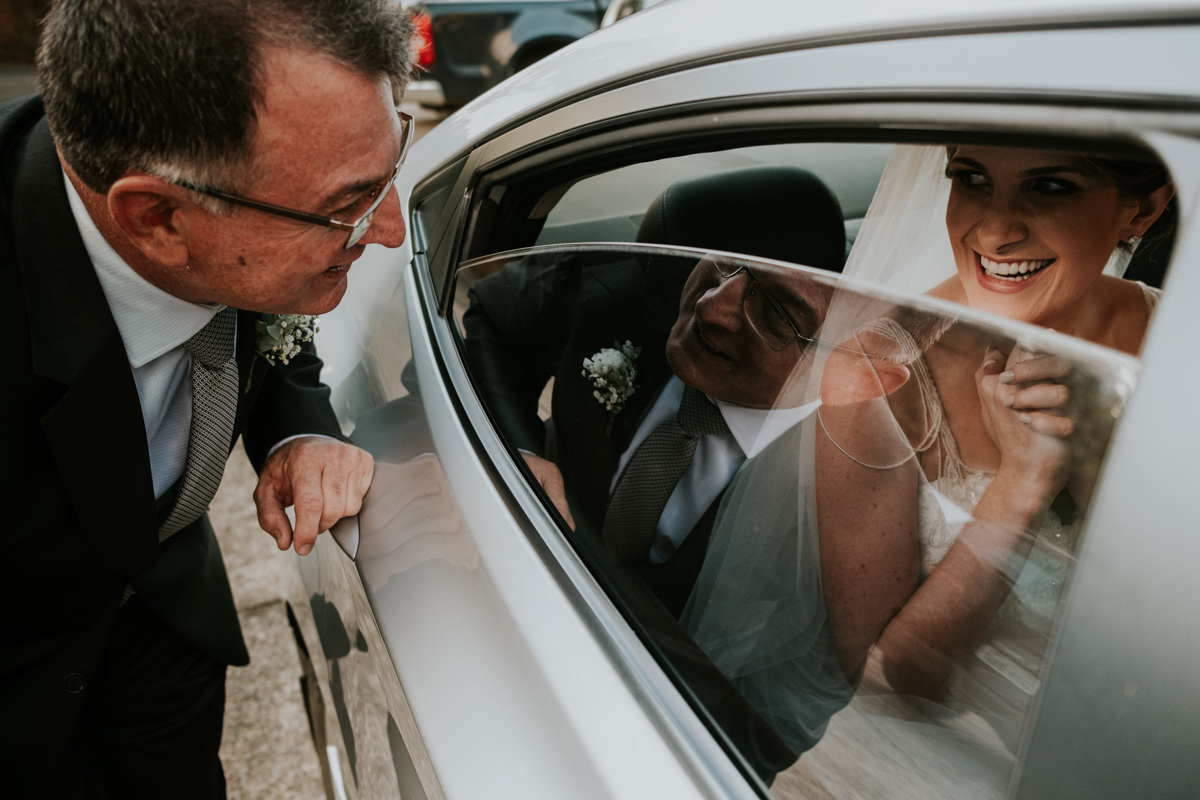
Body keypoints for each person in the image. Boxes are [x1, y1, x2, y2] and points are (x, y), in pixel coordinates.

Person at [1, 0, 415, 795]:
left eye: (390, 163)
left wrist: (297, 431)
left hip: (166, 626)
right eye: (346, 207)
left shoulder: (235, 195)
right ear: (155, 218)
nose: (389, 230)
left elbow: (253, 309)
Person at [801, 144, 1174, 797]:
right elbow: (893, 682)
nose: (994, 230)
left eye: (1051, 185)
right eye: (971, 178)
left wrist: (1097, 464)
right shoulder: (877, 374)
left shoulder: (1174, 334)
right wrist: (1024, 482)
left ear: (1141, 208)